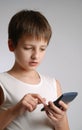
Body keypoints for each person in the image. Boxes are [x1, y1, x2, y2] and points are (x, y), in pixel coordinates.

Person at [0, 9, 70, 130]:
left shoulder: (53, 84)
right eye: (28, 48)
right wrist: (15, 111)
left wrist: (60, 120)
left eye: (42, 49)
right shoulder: (2, 83)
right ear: (11, 45)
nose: (36, 56)